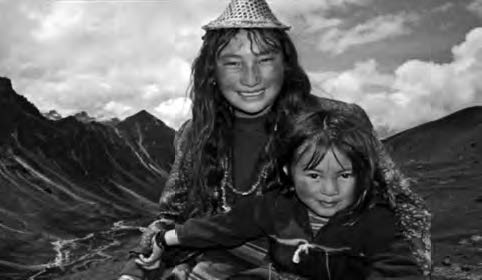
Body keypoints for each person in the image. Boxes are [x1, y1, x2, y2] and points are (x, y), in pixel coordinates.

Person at [119, 0, 431, 279]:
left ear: (286, 65)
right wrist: (138, 264)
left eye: (265, 59)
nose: (251, 77)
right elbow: (172, 216)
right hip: (222, 257)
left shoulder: (337, 121)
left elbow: (405, 207)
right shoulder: (194, 134)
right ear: (211, 71)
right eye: (232, 62)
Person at [137, 110, 425, 280]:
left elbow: (399, 271)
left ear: (363, 173)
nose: (330, 190)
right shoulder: (274, 207)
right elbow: (221, 228)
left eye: (345, 175)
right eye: (313, 175)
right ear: (288, 170)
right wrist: (164, 238)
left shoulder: (374, 220)